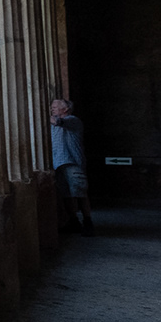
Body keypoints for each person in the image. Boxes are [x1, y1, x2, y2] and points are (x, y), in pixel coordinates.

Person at [50, 98, 92, 233]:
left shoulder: (73, 120)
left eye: (55, 107)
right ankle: (74, 221)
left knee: (80, 193)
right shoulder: (54, 124)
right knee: (66, 195)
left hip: (73, 162)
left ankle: (88, 222)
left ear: (65, 109)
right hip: (58, 164)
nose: (52, 109)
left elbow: (58, 122)